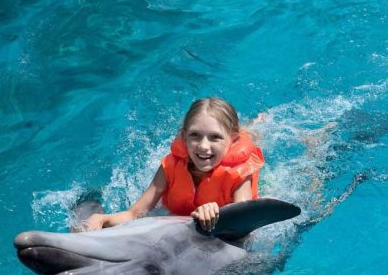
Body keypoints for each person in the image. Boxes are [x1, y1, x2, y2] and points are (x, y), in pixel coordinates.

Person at [84, 97, 264, 232]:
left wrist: (218, 213)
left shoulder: (239, 176)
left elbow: (245, 228)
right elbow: (134, 214)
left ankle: (256, 125)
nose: (203, 146)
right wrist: (103, 219)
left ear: (232, 140)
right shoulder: (169, 167)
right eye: (195, 135)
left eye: (215, 137)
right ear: (184, 137)